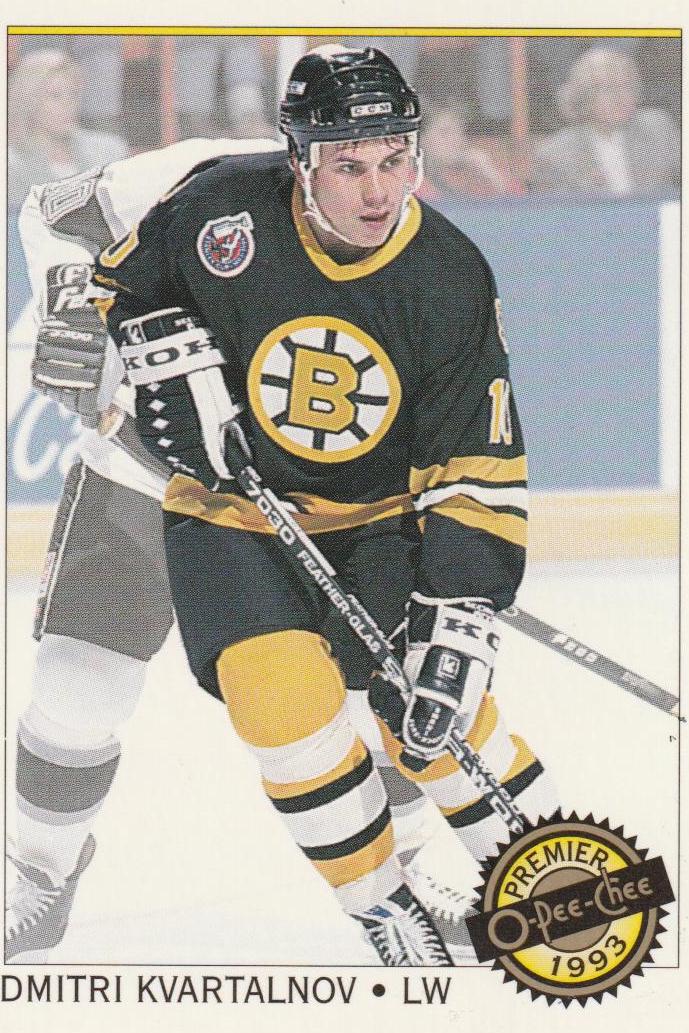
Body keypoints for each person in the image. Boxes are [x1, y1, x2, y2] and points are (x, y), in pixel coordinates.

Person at [89, 45, 558, 965]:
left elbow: (477, 457)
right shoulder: (219, 212)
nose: (377, 191)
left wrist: (459, 609)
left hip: (380, 521)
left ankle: (565, 882)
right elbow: (123, 285)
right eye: (349, 165)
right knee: (281, 705)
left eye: (393, 160)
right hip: (233, 515)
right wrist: (157, 354)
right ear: (299, 159)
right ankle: (383, 909)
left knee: (430, 713)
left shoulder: (448, 274)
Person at [6, 134, 480, 964]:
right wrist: (74, 306)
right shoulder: (200, 176)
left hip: (307, 511)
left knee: (375, 693)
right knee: (79, 685)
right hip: (142, 474)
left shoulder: (410, 252)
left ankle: (401, 874)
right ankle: (38, 873)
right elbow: (51, 212)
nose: (371, 195)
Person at [529, 47, 680, 195]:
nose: (622, 98)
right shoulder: (555, 153)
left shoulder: (658, 128)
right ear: (583, 97)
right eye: (609, 90)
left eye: (627, 87)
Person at [8, 49, 128, 207]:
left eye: (73, 94)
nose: (68, 104)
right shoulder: (11, 165)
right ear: (29, 101)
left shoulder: (110, 150)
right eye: (55, 95)